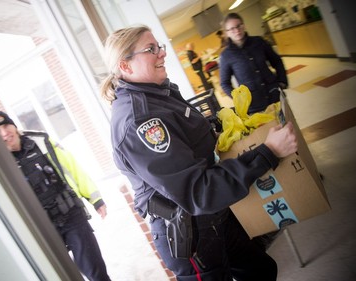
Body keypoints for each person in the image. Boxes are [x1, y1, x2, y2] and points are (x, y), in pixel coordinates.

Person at [100, 25, 297, 281]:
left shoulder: (160, 92)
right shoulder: (140, 122)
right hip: (191, 232)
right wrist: (268, 152)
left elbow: (188, 142)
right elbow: (198, 191)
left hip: (213, 215)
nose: (162, 53)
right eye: (151, 49)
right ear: (125, 66)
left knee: (260, 269)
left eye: (159, 46)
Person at [0, 111, 112, 281]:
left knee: (96, 272)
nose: (4, 133)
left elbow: (72, 168)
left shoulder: (41, 141)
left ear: (14, 125)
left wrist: (95, 199)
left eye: (6, 126)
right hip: (41, 228)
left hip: (71, 215)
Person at [219, 12, 288, 114]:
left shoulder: (258, 42)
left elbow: (277, 61)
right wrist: (239, 99)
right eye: (232, 29)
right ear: (227, 33)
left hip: (275, 94)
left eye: (239, 26)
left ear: (244, 25)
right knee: (268, 129)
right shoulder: (226, 55)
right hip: (254, 104)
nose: (237, 30)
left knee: (288, 125)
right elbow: (225, 83)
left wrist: (282, 81)